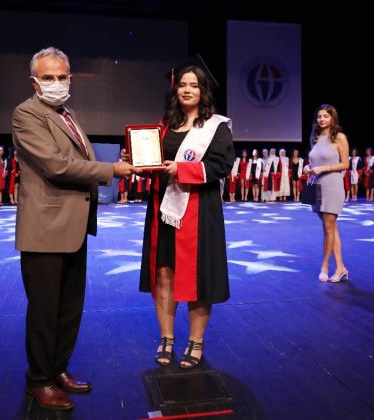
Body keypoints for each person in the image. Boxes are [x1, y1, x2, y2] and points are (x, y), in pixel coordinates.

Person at [12, 47, 136, 411]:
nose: (56, 83)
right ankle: (39, 380)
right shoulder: (26, 114)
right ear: (34, 81)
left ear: (70, 79)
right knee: (45, 309)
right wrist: (112, 170)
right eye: (48, 77)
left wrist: (117, 160)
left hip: (72, 225)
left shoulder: (68, 113)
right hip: (45, 227)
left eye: (61, 77)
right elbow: (56, 166)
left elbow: (80, 158)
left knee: (69, 306)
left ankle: (58, 369)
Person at [139, 56, 234, 371]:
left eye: (194, 85)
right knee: (164, 272)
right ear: (175, 89)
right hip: (163, 210)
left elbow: (221, 166)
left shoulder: (215, 127)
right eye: (182, 84)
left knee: (198, 277)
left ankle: (196, 340)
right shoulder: (165, 125)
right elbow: (156, 164)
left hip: (199, 212)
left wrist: (183, 169)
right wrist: (138, 160)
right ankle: (166, 338)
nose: (187, 90)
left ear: (203, 90)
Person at [303, 104, 349, 283]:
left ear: (332, 118)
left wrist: (323, 168)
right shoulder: (314, 137)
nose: (322, 119)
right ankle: (341, 268)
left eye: (326, 116)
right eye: (319, 116)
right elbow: (315, 161)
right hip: (317, 186)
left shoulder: (340, 137)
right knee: (331, 228)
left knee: (328, 227)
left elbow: (345, 164)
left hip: (333, 185)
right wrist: (308, 167)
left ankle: (325, 267)